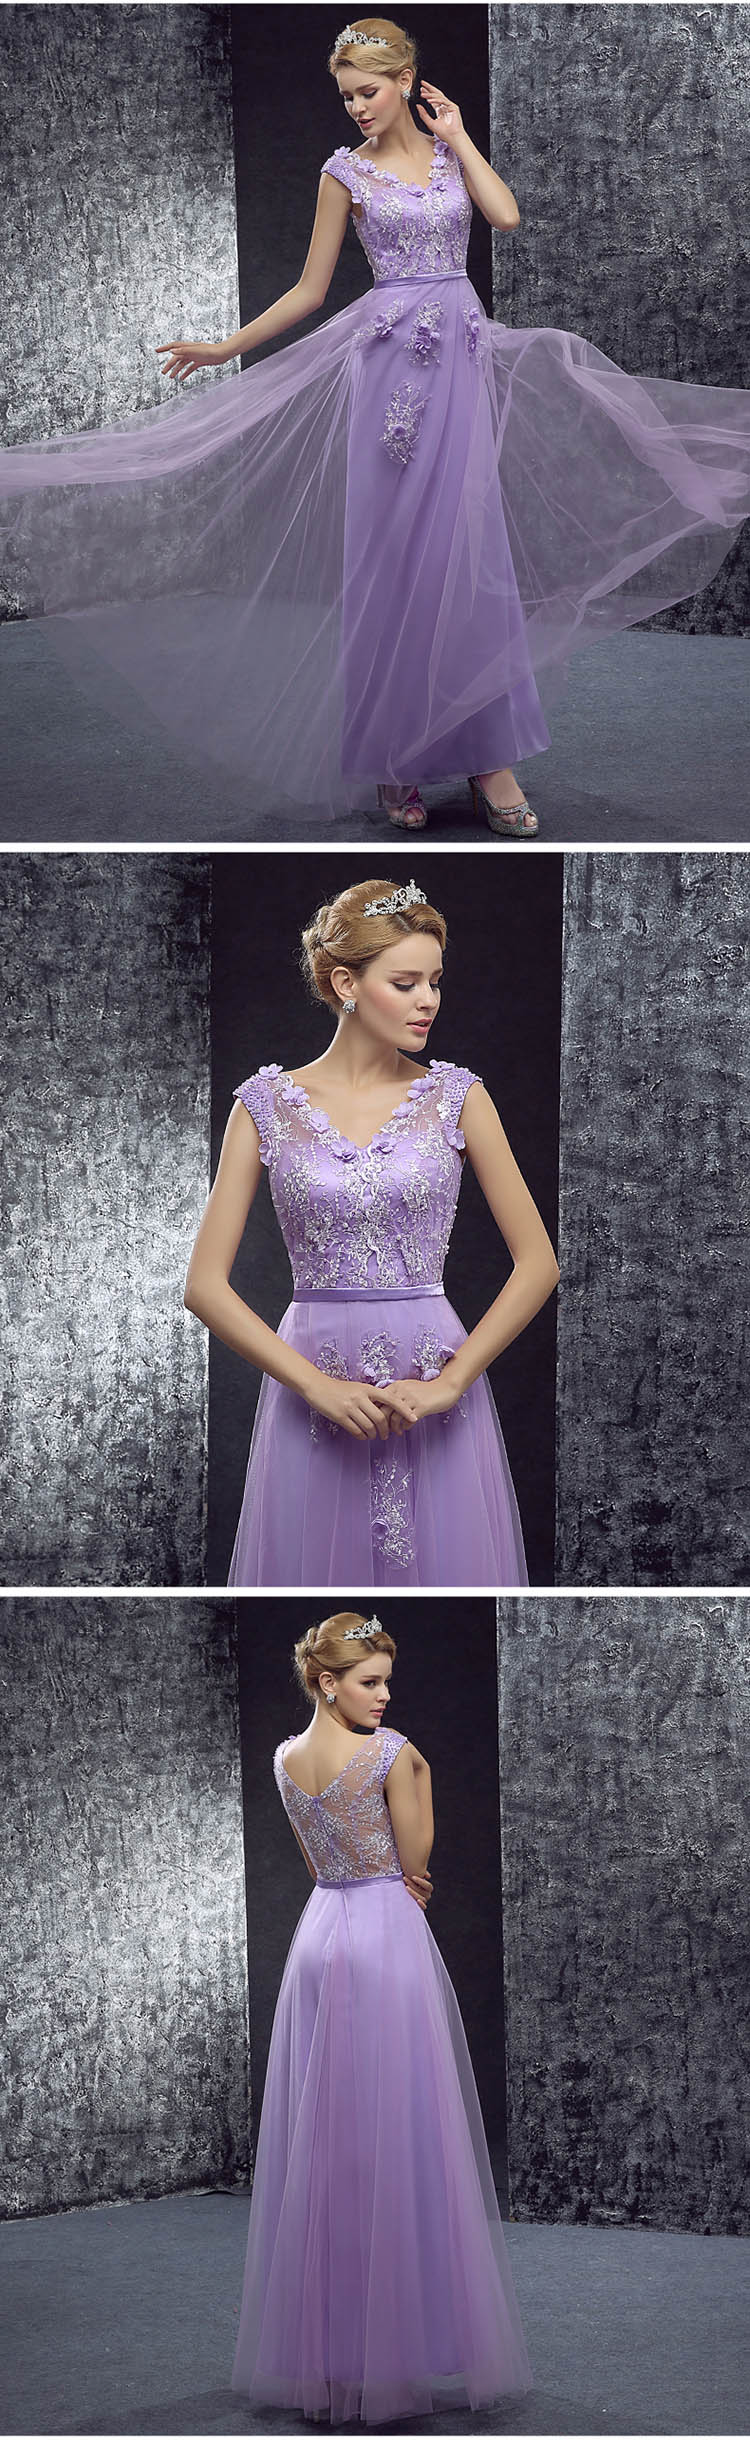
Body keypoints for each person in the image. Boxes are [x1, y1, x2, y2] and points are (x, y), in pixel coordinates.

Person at [2, 18, 749, 835]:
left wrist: (458, 136)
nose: (357, 107)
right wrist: (225, 347)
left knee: (468, 558)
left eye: (368, 90)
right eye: (347, 96)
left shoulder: (448, 155)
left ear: (406, 80)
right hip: (391, 373)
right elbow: (310, 289)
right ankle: (398, 757)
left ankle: (489, 759)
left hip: (459, 364)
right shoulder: (343, 174)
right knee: (395, 564)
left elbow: (504, 216)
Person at [184, 875, 559, 1587]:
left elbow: (538, 1262)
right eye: (406, 983)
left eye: (435, 982)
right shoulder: (264, 1106)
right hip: (311, 1385)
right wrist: (315, 1387)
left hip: (433, 1382)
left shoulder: (459, 1097)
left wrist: (452, 1383)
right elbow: (204, 1286)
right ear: (345, 984)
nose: (429, 1001)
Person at [231, 1613, 532, 2423]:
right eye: (370, 1682)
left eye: (386, 1682)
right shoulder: (393, 1753)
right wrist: (418, 1776)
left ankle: (331, 2356)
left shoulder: (284, 1758)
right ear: (328, 1682)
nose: (384, 1695)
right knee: (396, 2135)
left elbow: (315, 1861)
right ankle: (392, 2347)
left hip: (319, 1934)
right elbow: (414, 1860)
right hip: (382, 1932)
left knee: (329, 2144)